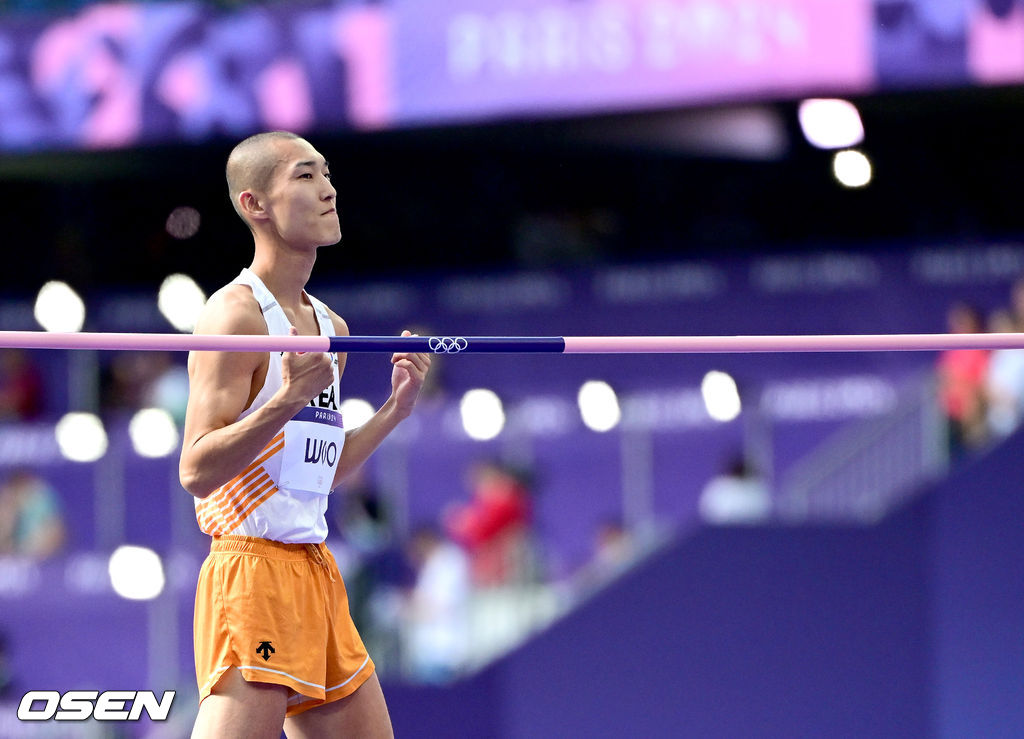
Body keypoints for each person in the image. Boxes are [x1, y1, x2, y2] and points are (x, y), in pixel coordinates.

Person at [178, 130, 431, 738]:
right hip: (252, 572)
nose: (328, 189)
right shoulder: (235, 316)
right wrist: (287, 398)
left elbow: (318, 471)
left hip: (315, 569)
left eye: (326, 173)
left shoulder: (329, 326)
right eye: (304, 176)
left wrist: (392, 412)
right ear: (254, 205)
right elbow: (196, 469)